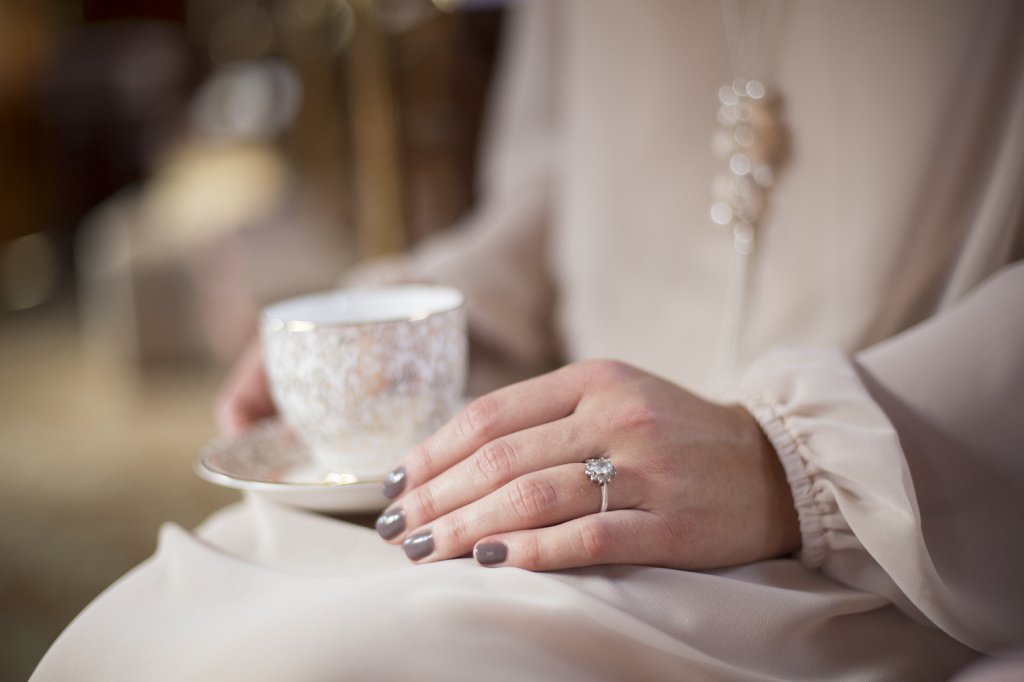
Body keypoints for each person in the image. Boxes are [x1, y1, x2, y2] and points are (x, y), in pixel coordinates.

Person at [33, 1, 1024, 680]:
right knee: (142, 629)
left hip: (915, 515)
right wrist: (413, 327)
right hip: (574, 455)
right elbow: (546, 195)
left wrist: (790, 460)